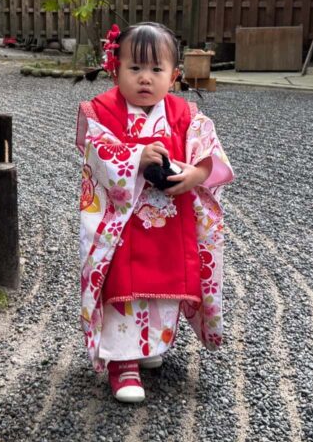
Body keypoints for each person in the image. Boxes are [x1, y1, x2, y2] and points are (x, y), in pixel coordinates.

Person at [76, 22, 234, 403]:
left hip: (170, 224)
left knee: (165, 288)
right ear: (116, 69)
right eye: (134, 69)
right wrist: (134, 157)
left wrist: (195, 174)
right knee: (123, 287)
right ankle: (122, 364)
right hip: (123, 225)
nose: (145, 79)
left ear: (175, 76)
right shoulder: (103, 111)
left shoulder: (185, 114)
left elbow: (209, 153)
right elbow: (96, 153)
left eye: (156, 70)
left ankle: (148, 349)